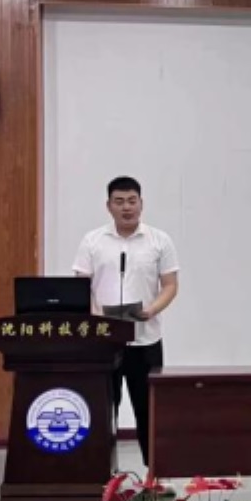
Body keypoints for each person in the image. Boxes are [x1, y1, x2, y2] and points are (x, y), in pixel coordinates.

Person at [72, 176, 180, 467]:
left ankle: (153, 474)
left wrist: (151, 309)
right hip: (103, 341)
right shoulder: (93, 241)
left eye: (132, 201)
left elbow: (170, 285)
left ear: (141, 203)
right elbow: (82, 285)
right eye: (119, 202)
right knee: (103, 409)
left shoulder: (159, 240)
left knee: (148, 409)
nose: (126, 207)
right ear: (108, 206)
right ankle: (102, 472)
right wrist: (96, 316)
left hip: (145, 339)